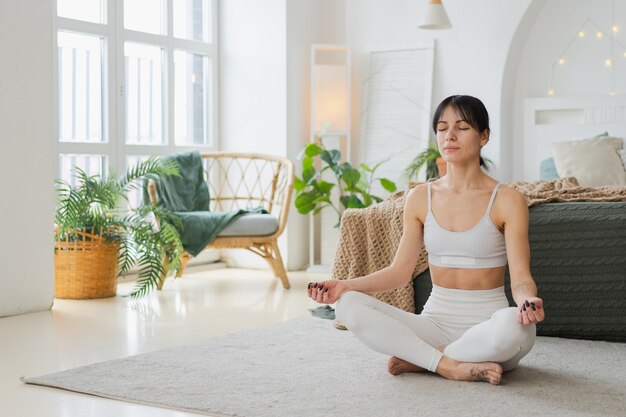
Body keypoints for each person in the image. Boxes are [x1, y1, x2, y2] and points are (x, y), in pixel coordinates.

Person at [307, 95, 545, 385]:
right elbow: (399, 272)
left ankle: (425, 359)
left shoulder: (508, 200)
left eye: (462, 127)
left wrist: (526, 301)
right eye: (442, 128)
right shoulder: (420, 197)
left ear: (484, 136)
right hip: (432, 323)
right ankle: (448, 365)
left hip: (487, 326)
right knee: (348, 304)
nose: (450, 136)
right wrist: (345, 285)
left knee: (517, 328)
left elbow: (521, 279)